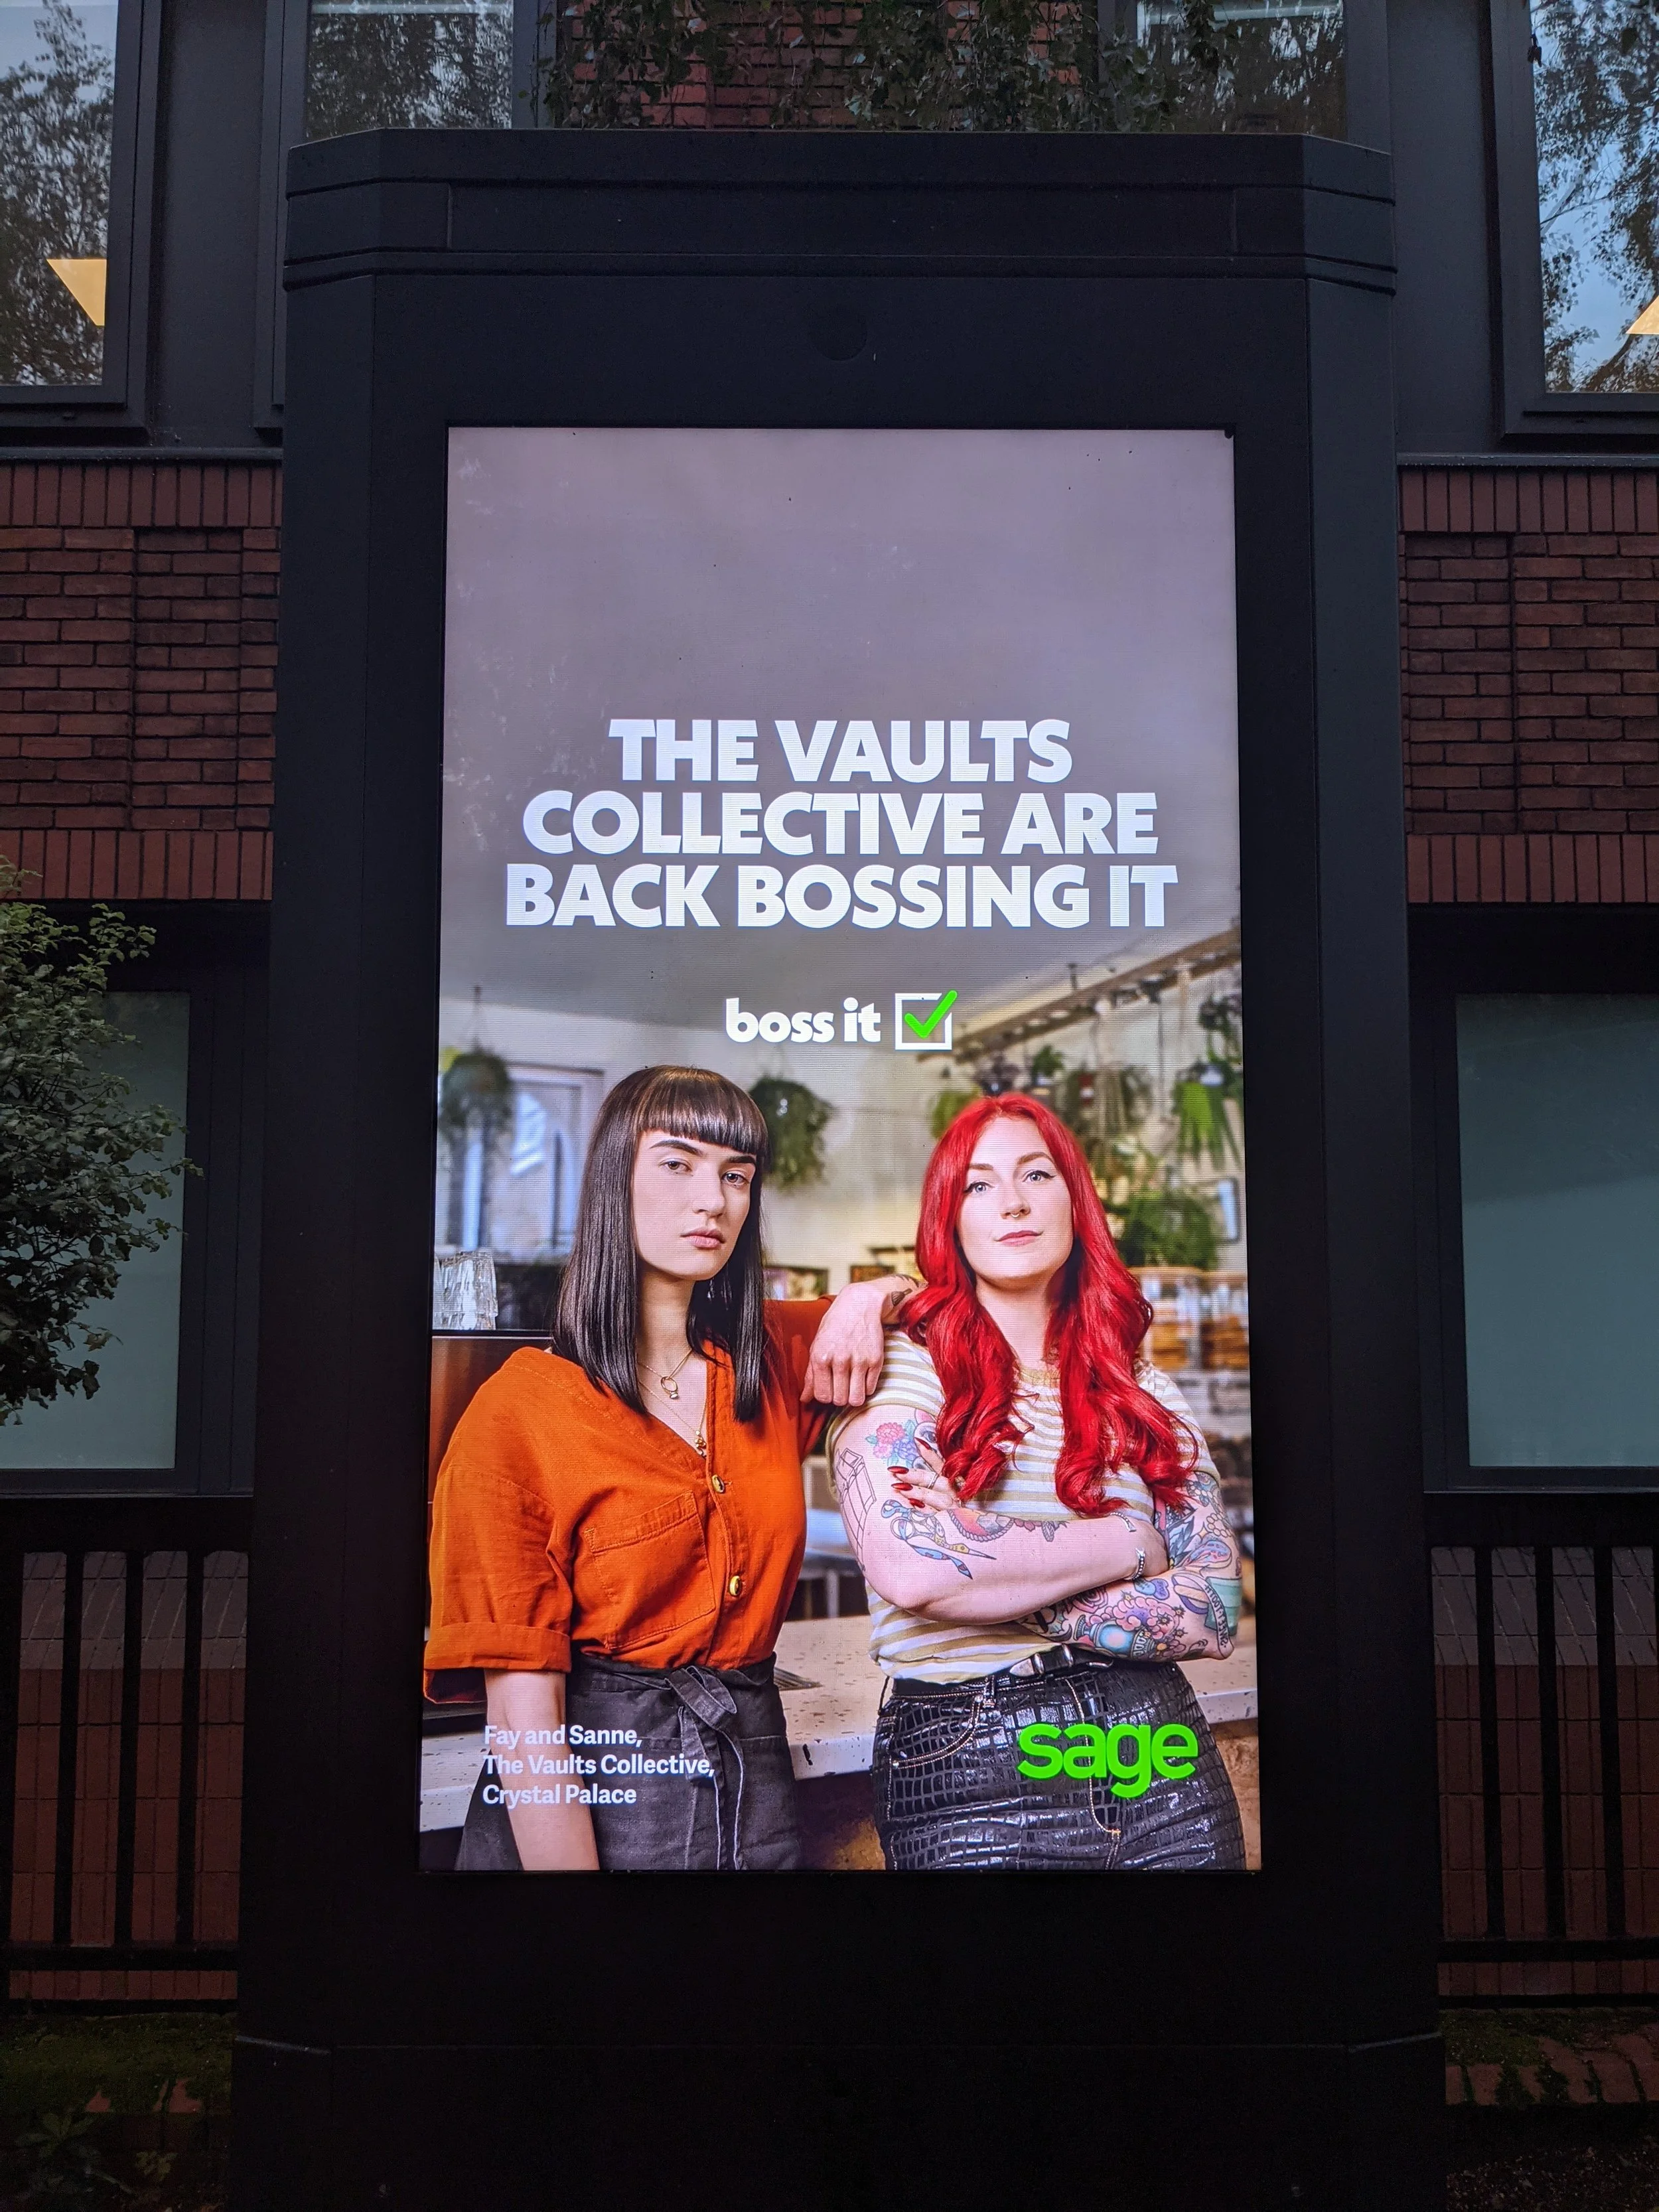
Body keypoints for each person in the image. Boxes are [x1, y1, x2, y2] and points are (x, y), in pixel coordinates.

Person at [425, 1065, 912, 1871]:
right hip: (595, 1799)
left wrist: (868, 1296)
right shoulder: (516, 1416)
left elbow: (944, 1305)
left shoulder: (769, 1362)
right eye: (678, 1164)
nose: (713, 1201)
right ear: (615, 1179)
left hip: (753, 1782)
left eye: (736, 1176)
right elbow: (524, 1723)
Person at [828, 1093, 1246, 1871]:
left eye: (1036, 1174)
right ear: (947, 1218)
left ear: (1075, 1200)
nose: (1012, 1203)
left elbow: (1215, 1609)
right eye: (978, 1185)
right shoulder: (902, 1366)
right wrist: (1132, 1541)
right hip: (967, 1761)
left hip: (1158, 1744)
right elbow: (916, 1567)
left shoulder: (1140, 1384)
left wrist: (988, 1575)